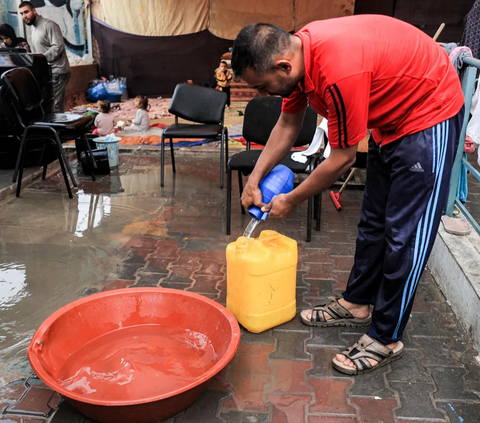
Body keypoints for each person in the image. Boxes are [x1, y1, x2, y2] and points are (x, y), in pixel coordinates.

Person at [231, 15, 464, 375]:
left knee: (405, 236)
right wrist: (254, 178)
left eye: (263, 87)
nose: (264, 94)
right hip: (391, 120)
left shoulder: (336, 72)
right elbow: (288, 124)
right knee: (372, 223)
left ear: (283, 65)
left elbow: (342, 158)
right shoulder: (297, 62)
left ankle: (386, 336)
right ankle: (356, 303)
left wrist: (292, 199)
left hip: (428, 114)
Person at [19, 1, 70, 112]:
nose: (24, 16)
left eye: (26, 12)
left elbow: (58, 47)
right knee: (48, 105)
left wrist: (39, 60)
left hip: (58, 70)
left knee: (54, 105)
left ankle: (59, 129)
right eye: (21, 14)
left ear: (34, 10)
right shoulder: (33, 29)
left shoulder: (49, 25)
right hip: (47, 73)